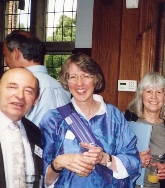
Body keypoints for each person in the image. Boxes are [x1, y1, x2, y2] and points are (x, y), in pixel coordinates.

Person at [40, 53, 141, 187]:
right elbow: (43, 179)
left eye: (86, 76)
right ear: (66, 81)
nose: (79, 83)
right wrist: (59, 162)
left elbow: (134, 161)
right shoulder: (53, 119)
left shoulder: (113, 116)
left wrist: (105, 159)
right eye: (73, 77)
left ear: (96, 79)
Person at [3, 30, 71, 126]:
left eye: (5, 55)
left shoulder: (17, 89)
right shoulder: (61, 87)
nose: (6, 61)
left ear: (16, 53)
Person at [124, 72, 165, 188]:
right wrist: (134, 159)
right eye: (149, 91)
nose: (154, 97)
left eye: (159, 92)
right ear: (141, 95)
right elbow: (111, 153)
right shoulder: (126, 120)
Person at [0, 68, 43, 188]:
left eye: (28, 91)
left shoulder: (35, 133)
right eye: (12, 87)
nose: (20, 96)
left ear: (35, 99)